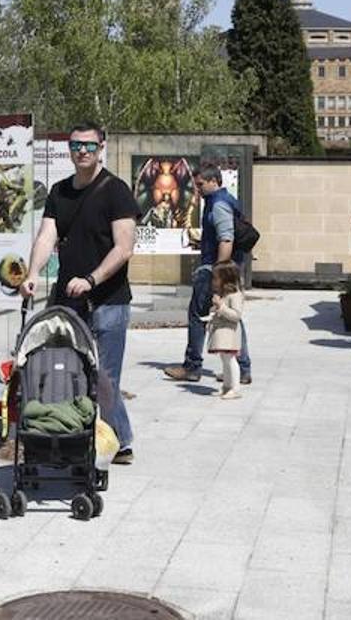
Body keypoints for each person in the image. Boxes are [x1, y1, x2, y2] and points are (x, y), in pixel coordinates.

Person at [23, 122, 140, 466]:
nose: (83, 152)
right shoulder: (59, 192)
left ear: (101, 147)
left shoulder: (116, 191)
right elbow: (47, 237)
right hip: (67, 302)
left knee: (104, 377)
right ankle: (73, 436)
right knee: (66, 371)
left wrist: (92, 278)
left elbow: (124, 247)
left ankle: (119, 439)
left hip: (109, 301)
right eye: (77, 146)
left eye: (90, 146)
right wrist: (32, 274)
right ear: (69, 148)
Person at [163, 164, 253, 384]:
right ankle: (242, 368)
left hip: (215, 269)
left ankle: (192, 366)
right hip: (225, 268)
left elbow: (226, 239)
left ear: (214, 181)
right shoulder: (224, 200)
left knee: (197, 315)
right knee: (230, 315)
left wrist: (218, 274)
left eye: (201, 184)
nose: (198, 189)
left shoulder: (219, 204)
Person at [207, 262, 246, 400]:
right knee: (224, 359)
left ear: (226, 278)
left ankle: (235, 388)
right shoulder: (224, 294)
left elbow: (236, 315)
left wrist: (221, 307)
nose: (214, 281)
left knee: (230, 359)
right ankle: (227, 386)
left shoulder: (235, 295)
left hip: (229, 333)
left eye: (216, 278)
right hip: (222, 331)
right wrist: (215, 310)